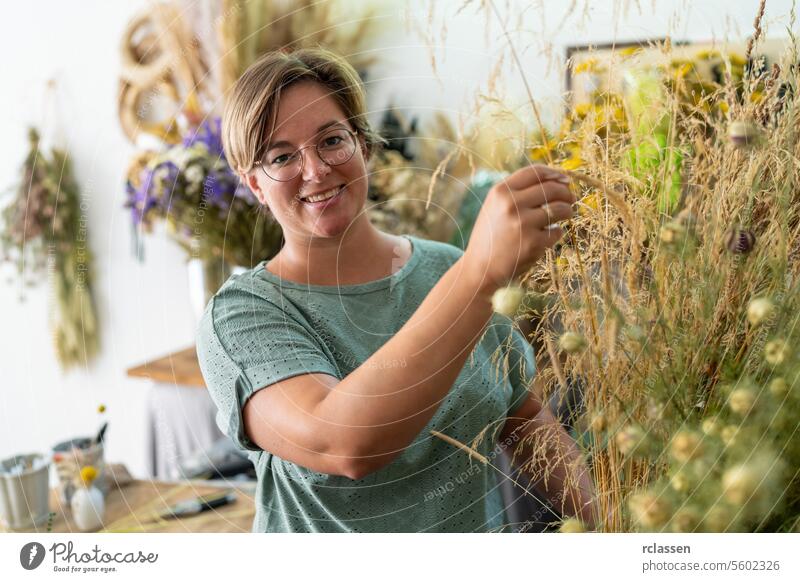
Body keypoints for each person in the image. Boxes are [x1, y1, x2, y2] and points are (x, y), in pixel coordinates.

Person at [197, 47, 596, 532]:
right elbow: (344, 444)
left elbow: (523, 417)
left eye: (331, 140)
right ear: (255, 186)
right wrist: (479, 274)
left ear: (363, 146)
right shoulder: (242, 316)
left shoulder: (446, 268)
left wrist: (615, 526)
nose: (316, 170)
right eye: (281, 157)